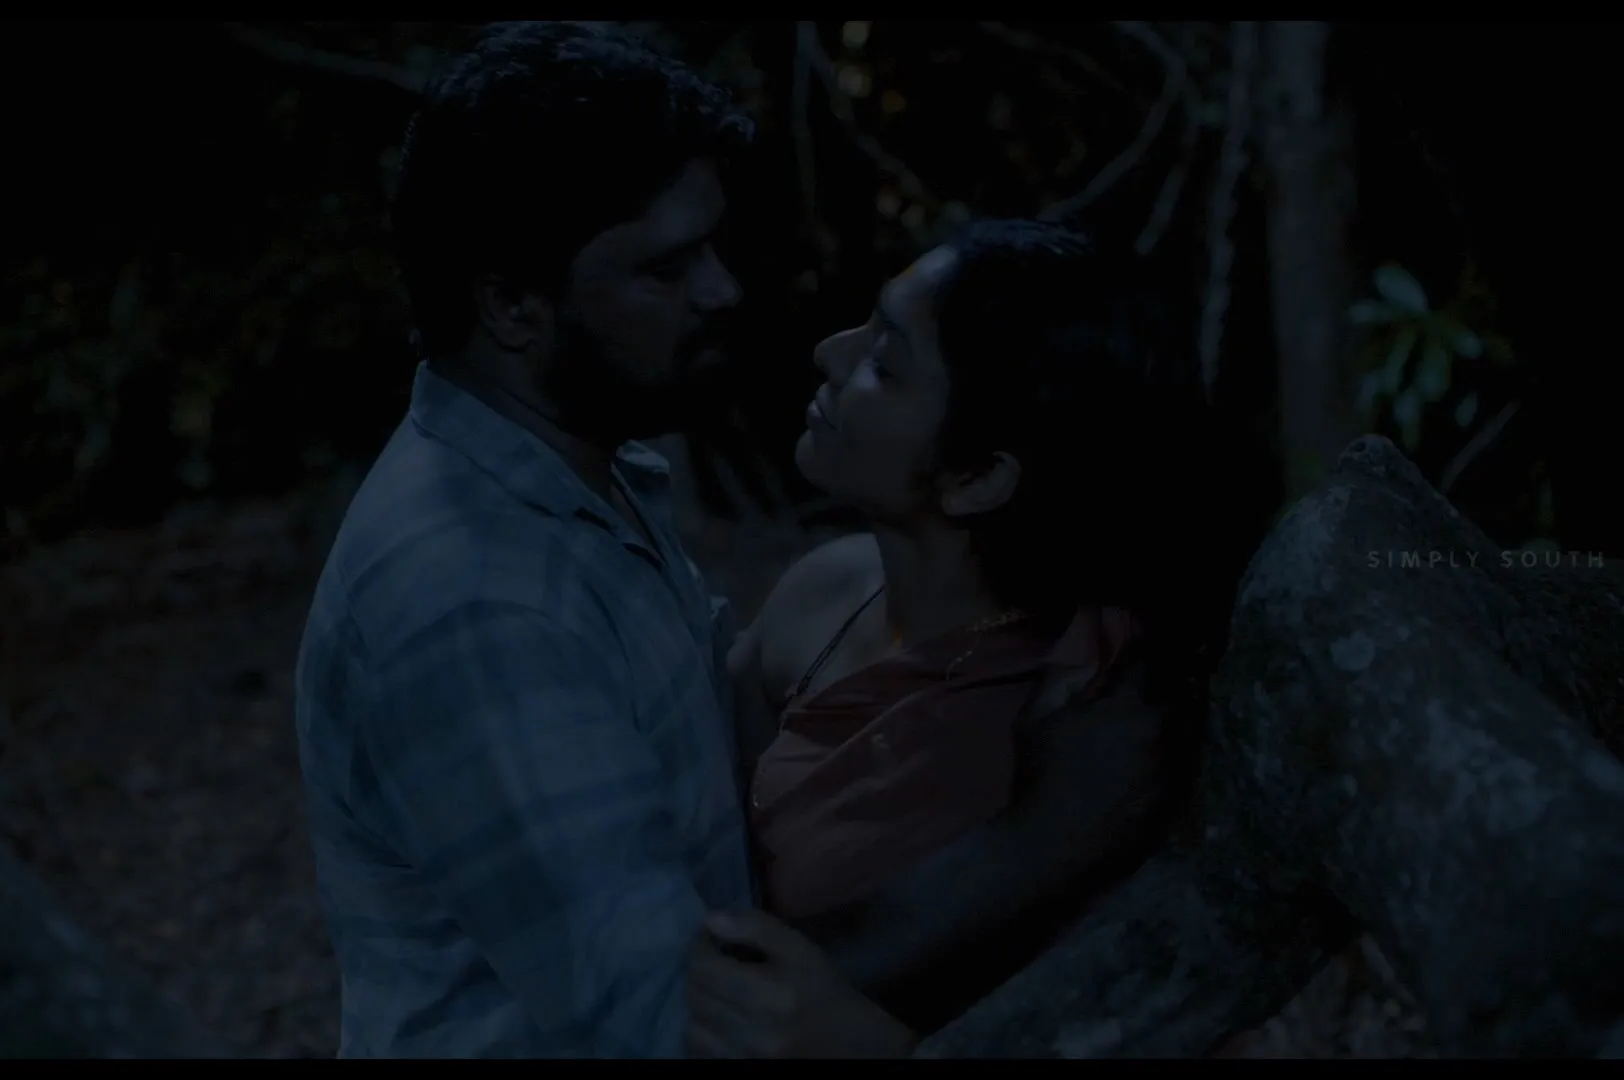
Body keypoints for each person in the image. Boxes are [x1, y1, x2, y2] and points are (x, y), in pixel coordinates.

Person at [682, 219, 1281, 1057]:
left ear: (977, 477)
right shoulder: (826, 588)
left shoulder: (1086, 712)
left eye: (885, 365)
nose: (829, 353)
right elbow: (701, 821)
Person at [293, 22, 760, 1058]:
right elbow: (676, 1023)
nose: (721, 290)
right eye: (666, 268)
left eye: (712, 247)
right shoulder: (474, 597)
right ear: (510, 303)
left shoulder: (584, 473)